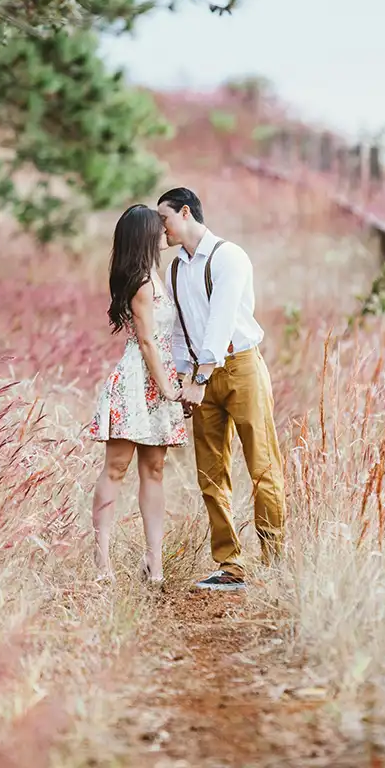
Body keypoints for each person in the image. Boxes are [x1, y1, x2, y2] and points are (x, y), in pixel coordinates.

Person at [156, 187, 286, 592]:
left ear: (185, 212)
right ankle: (231, 565)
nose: (161, 228)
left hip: (240, 367)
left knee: (262, 464)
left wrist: (200, 378)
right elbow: (179, 332)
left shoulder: (228, 256)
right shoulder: (174, 270)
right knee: (210, 472)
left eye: (164, 219)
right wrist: (184, 379)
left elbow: (221, 320)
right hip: (200, 377)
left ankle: (275, 562)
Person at [87, 204, 187, 585]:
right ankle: (102, 562)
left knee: (154, 470)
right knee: (116, 468)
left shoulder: (155, 276)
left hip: (156, 378)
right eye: (156, 227)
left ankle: (153, 560)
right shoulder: (142, 283)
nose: (163, 231)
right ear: (144, 236)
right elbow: (146, 341)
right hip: (137, 380)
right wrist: (167, 387)